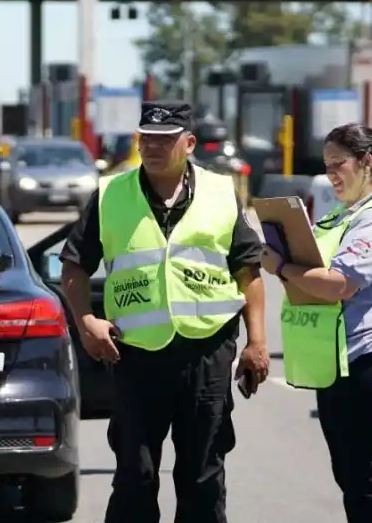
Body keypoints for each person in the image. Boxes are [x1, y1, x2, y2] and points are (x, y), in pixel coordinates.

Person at [59, 100, 268, 523]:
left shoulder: (219, 192)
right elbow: (74, 266)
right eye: (146, 139)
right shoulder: (111, 194)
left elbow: (249, 271)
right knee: (135, 477)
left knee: (203, 476)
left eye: (165, 140)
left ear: (189, 143)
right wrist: (86, 323)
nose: (152, 147)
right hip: (136, 356)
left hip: (206, 352)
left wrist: (257, 342)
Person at [262, 122, 372, 523]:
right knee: (352, 480)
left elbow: (338, 285)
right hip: (335, 366)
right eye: (326, 166)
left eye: (338, 164)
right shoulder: (342, 217)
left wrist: (280, 266)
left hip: (365, 364)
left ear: (367, 162)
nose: (331, 175)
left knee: (365, 484)